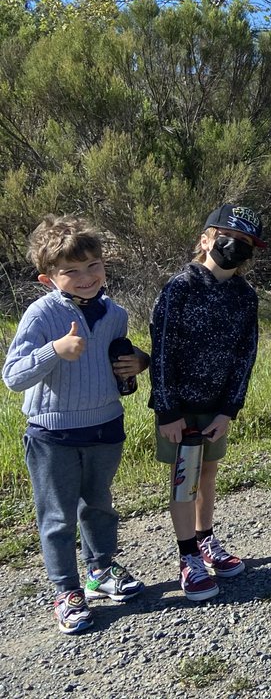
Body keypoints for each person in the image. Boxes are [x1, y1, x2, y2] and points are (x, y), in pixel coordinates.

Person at [3, 215, 148, 633]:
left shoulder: (115, 313)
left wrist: (140, 362)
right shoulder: (40, 314)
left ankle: (100, 570)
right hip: (53, 434)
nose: (86, 278)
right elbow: (13, 376)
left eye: (94, 266)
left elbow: (119, 364)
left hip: (105, 425)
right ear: (48, 277)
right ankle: (66, 590)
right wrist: (54, 350)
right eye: (72, 271)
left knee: (99, 505)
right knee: (57, 517)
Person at [151, 203, 262, 602]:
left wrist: (229, 410)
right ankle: (188, 558)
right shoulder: (179, 287)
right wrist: (167, 410)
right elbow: (160, 350)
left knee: (208, 475)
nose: (237, 246)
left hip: (217, 407)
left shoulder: (245, 296)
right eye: (229, 237)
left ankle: (205, 540)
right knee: (184, 482)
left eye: (247, 242)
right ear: (206, 238)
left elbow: (245, 356)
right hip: (180, 408)